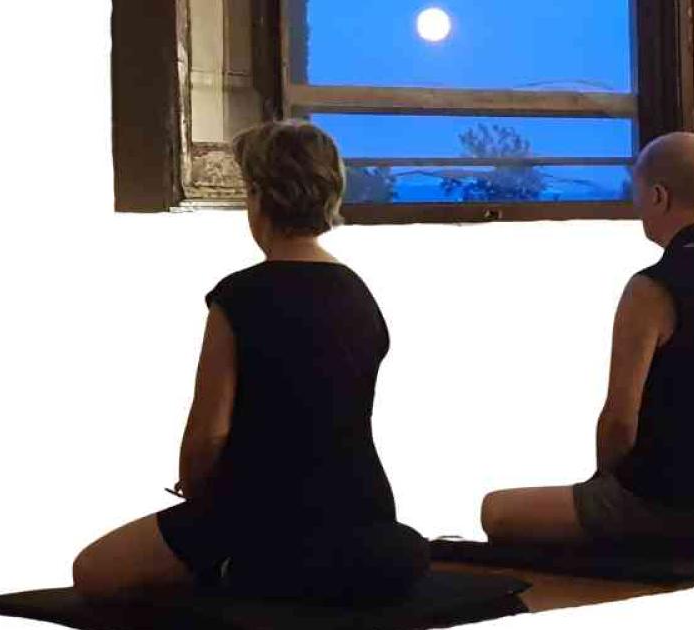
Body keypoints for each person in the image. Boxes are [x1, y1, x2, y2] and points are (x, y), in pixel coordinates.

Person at [72, 120, 429, 603]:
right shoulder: (358, 294)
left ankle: (238, 579)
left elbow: (208, 437)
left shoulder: (241, 295)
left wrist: (197, 498)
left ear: (259, 194)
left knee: (94, 571)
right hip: (364, 511)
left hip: (263, 515)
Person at [479, 132, 694, 551]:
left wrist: (608, 486)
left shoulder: (649, 289)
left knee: (496, 512)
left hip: (666, 496)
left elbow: (620, 420)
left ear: (657, 196)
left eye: (637, 193)